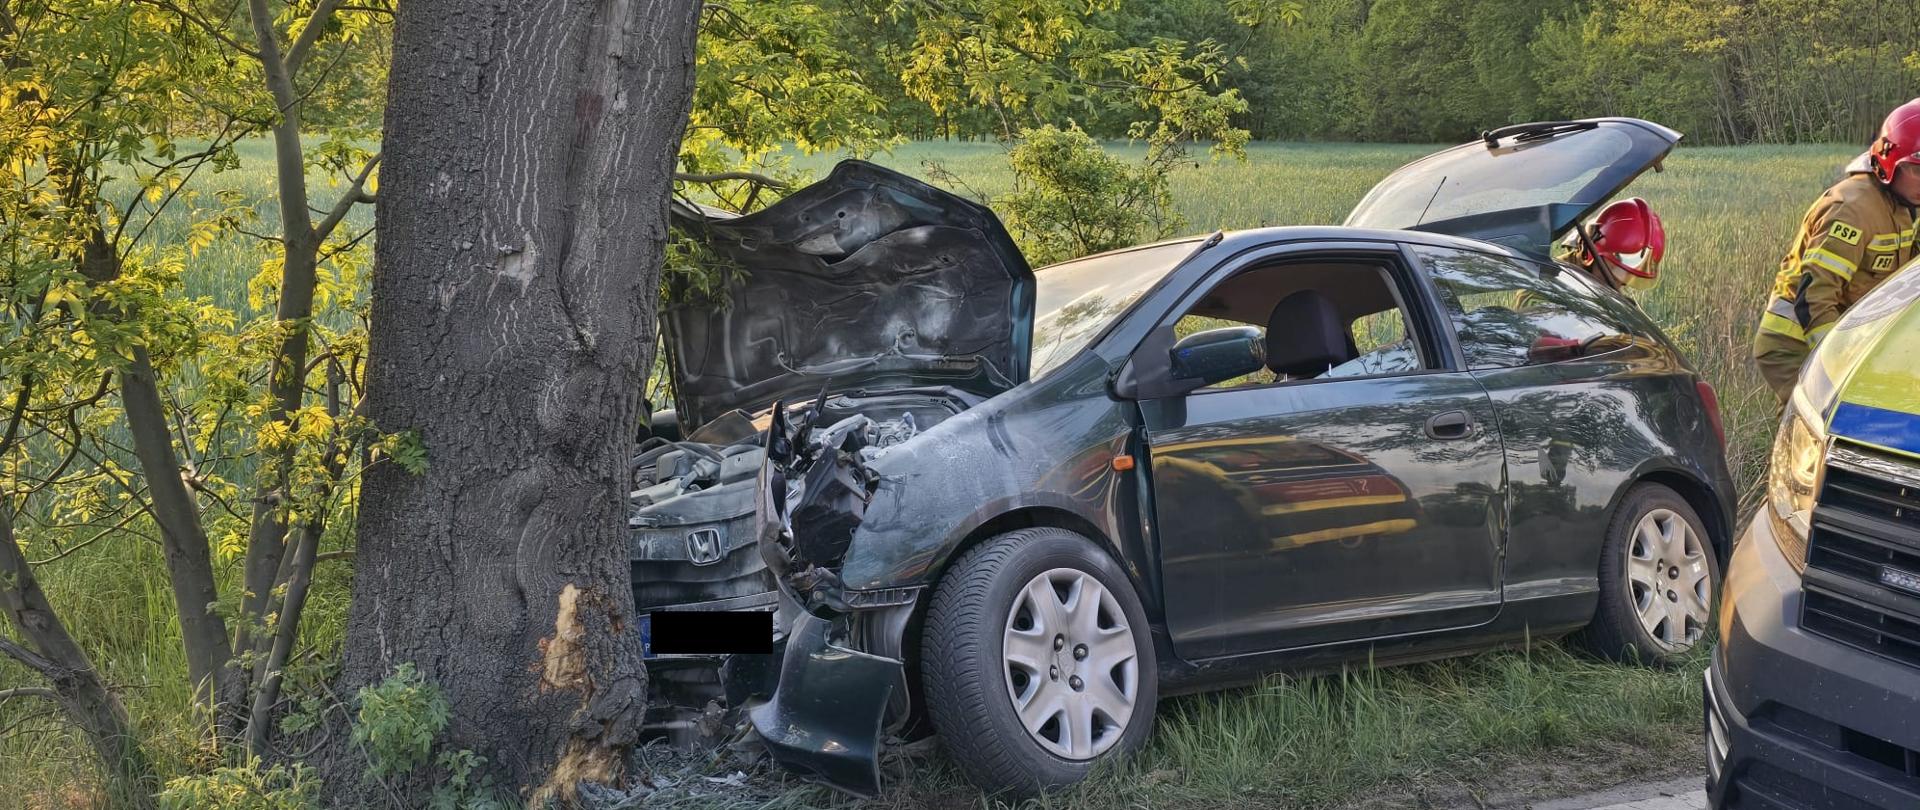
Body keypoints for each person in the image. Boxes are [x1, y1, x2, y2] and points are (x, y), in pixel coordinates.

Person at [1753, 98, 1920, 403]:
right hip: (1793, 340)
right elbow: (1814, 299)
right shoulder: (1851, 210)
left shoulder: (1904, 205)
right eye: (1917, 171)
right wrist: (1838, 362)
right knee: (1813, 426)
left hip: (1838, 335)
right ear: (1888, 163)